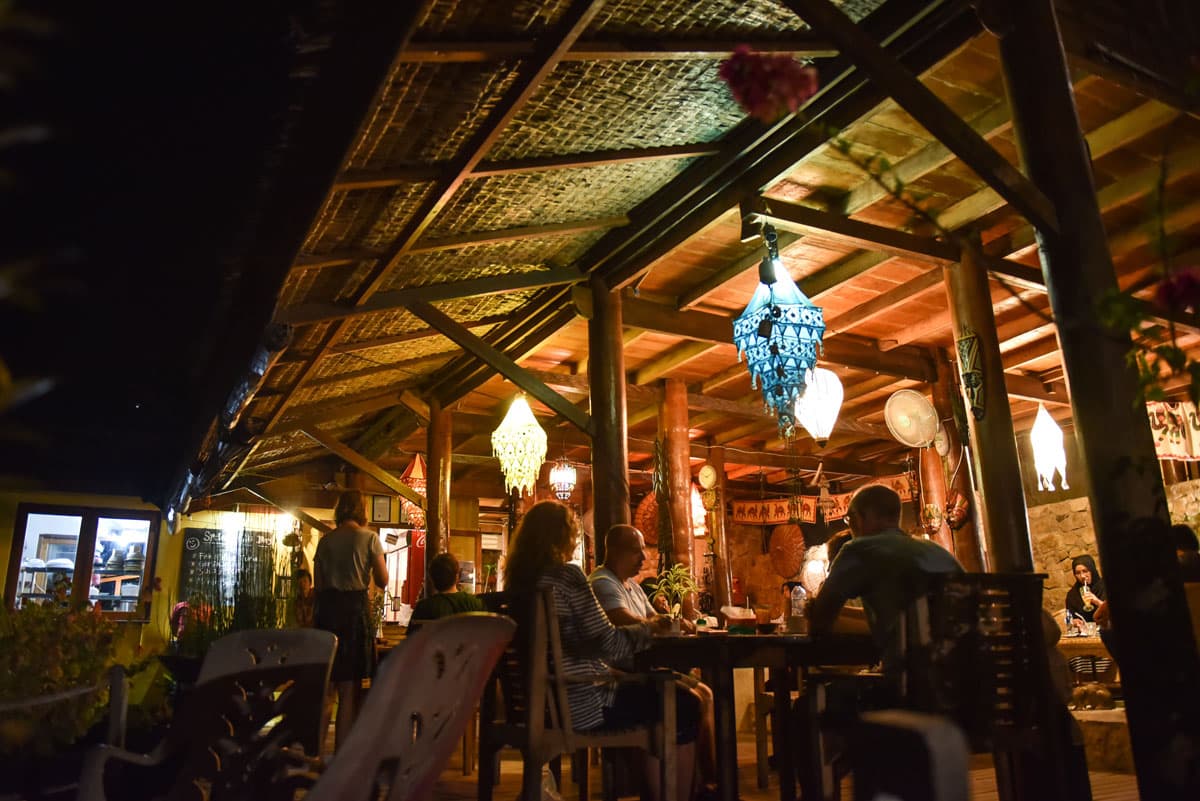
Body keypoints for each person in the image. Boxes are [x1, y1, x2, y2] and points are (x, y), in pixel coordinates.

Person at [506, 501, 699, 801]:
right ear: (562, 537)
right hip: (582, 705)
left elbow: (577, 649)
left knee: (664, 697)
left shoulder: (518, 587)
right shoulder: (567, 577)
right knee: (685, 705)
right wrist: (651, 628)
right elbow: (609, 644)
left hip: (539, 705)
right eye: (572, 534)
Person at [589, 524, 716, 789]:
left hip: (640, 669)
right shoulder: (602, 583)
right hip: (621, 676)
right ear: (614, 551)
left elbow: (653, 620)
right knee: (690, 700)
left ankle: (704, 783)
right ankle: (696, 785)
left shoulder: (632, 587)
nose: (644, 558)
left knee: (705, 693)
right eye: (637, 551)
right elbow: (624, 621)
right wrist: (665, 624)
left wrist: (673, 622)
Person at [809, 485, 964, 682]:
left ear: (858, 517)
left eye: (849, 519)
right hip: (965, 683)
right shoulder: (937, 552)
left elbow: (820, 620)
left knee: (812, 702)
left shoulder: (858, 549)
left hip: (910, 686)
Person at [314, 490, 388, 753]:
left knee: (327, 687)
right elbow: (382, 580)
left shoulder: (325, 542)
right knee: (349, 689)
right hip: (354, 612)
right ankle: (341, 755)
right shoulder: (370, 539)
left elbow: (319, 585)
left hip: (327, 613)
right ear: (362, 510)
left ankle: (316, 753)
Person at [408, 551, 484, 631]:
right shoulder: (475, 604)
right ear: (457, 576)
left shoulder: (423, 607)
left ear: (432, 579)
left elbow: (411, 641)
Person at [1064, 554, 1106, 624]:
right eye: (1078, 573)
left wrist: (1097, 601)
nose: (1082, 576)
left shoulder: (1104, 587)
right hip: (1085, 632)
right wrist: (1074, 622)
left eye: (1085, 571)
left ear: (1092, 570)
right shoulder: (1072, 595)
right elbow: (1070, 618)